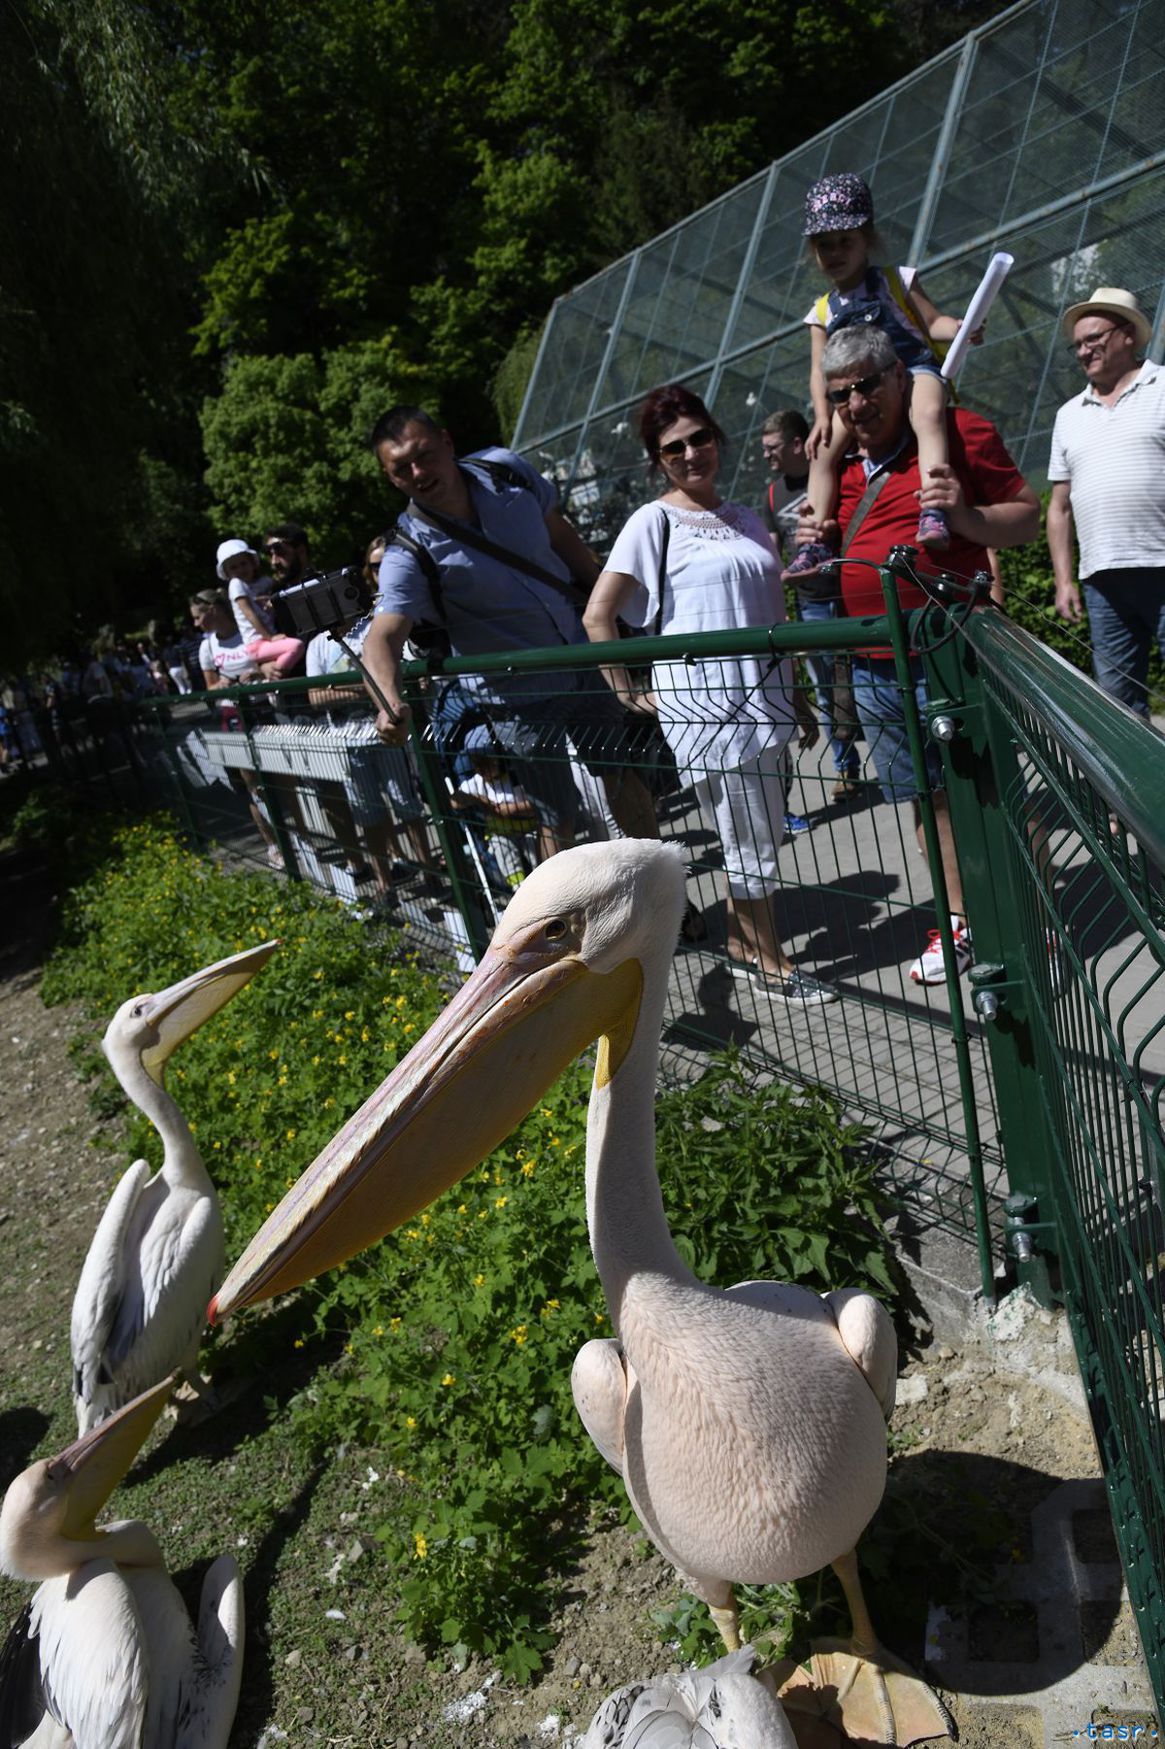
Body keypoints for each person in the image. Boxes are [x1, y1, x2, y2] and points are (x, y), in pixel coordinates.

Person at [795, 326, 1040, 984]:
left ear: (900, 378)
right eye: (840, 394)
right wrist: (814, 540)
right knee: (926, 802)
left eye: (867, 385)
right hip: (876, 665)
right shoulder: (837, 467)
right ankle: (961, 921)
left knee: (993, 790)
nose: (855, 404)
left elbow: (1025, 517)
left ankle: (1033, 913)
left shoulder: (958, 434)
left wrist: (966, 520)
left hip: (954, 653)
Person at [583, 383, 836, 1006]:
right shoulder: (653, 521)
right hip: (708, 707)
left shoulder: (746, 517)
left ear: (717, 439)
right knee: (749, 833)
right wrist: (627, 691)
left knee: (758, 829)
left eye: (700, 439)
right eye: (674, 448)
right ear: (658, 460)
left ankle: (746, 945)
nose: (691, 453)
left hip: (766, 698)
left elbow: (772, 613)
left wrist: (797, 695)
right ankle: (769, 961)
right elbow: (599, 615)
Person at [360, 405, 659, 861]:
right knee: (556, 814)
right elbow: (382, 637)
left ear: (447, 442)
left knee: (620, 775)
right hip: (518, 696)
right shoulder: (407, 551)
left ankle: (664, 887)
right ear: (390, 477)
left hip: (582, 660)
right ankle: (557, 907)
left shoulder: (505, 470)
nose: (418, 472)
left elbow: (560, 535)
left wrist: (608, 607)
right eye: (402, 468)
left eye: (424, 455)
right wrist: (388, 703)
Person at [787, 172, 974, 575]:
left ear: (867, 239)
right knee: (822, 451)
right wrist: (822, 416)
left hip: (912, 369)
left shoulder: (896, 281)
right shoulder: (822, 311)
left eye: (845, 241)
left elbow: (933, 323)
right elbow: (819, 371)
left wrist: (960, 328)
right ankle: (816, 538)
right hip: (858, 391)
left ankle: (933, 507)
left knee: (928, 414)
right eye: (824, 245)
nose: (835, 252)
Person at [1047, 286, 1165, 717]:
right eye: (1077, 344)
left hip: (1162, 562)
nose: (1083, 351)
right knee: (1117, 705)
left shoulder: (1163, 387)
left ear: (1128, 334)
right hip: (1102, 580)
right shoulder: (1068, 415)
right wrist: (1064, 580)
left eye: (1093, 338)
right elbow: (1059, 507)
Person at [304, 532, 437, 895]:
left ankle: (429, 871)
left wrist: (348, 688)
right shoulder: (317, 646)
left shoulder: (371, 629)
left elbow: (396, 670)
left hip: (387, 734)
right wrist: (369, 686)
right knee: (368, 812)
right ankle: (384, 882)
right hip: (348, 741)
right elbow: (315, 697)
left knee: (407, 804)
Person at [762, 408, 860, 805]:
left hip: (850, 595)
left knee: (864, 681)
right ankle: (846, 766)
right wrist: (777, 600)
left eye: (772, 447)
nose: (766, 455)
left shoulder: (832, 473)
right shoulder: (773, 494)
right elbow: (773, 553)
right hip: (810, 604)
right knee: (825, 688)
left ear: (797, 444)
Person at [190, 589, 283, 865]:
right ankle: (273, 845)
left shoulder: (247, 632)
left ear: (212, 610)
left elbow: (269, 660)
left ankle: (301, 839)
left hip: (262, 708)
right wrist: (222, 685)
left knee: (282, 778)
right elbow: (209, 688)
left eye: (198, 617)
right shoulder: (207, 646)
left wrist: (256, 672)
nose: (196, 624)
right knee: (252, 784)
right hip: (233, 716)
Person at [215, 538, 305, 677]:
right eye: (233, 567)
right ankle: (276, 676)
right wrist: (269, 637)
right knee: (296, 646)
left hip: (264, 642)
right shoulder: (236, 584)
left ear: (252, 562)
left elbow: (276, 584)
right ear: (227, 573)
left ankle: (276, 675)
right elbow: (249, 614)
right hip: (258, 642)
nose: (240, 569)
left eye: (243, 563)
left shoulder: (260, 583)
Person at [263, 521, 312, 591]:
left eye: (280, 552)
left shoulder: (325, 585)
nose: (274, 562)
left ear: (301, 551)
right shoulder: (275, 594)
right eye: (270, 555)